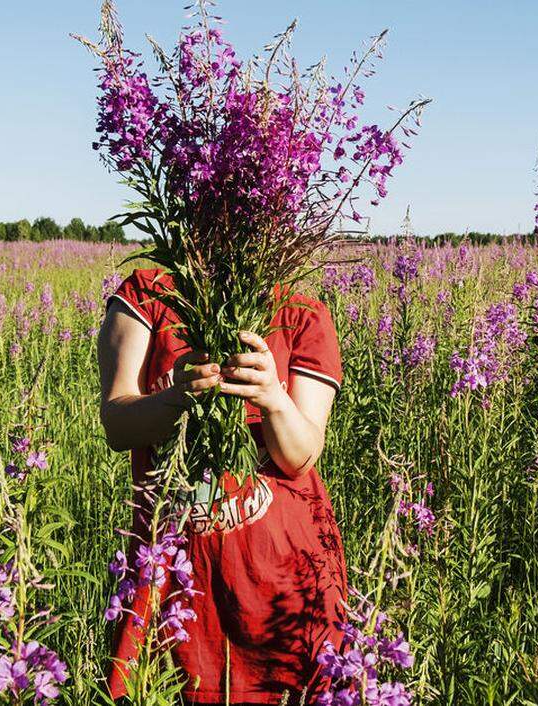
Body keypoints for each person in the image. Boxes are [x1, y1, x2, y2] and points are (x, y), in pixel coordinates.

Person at [97, 267, 349, 704]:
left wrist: (272, 396)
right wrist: (177, 398)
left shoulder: (302, 313)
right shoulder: (148, 293)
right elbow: (118, 424)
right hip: (174, 581)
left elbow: (301, 457)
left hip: (286, 590)